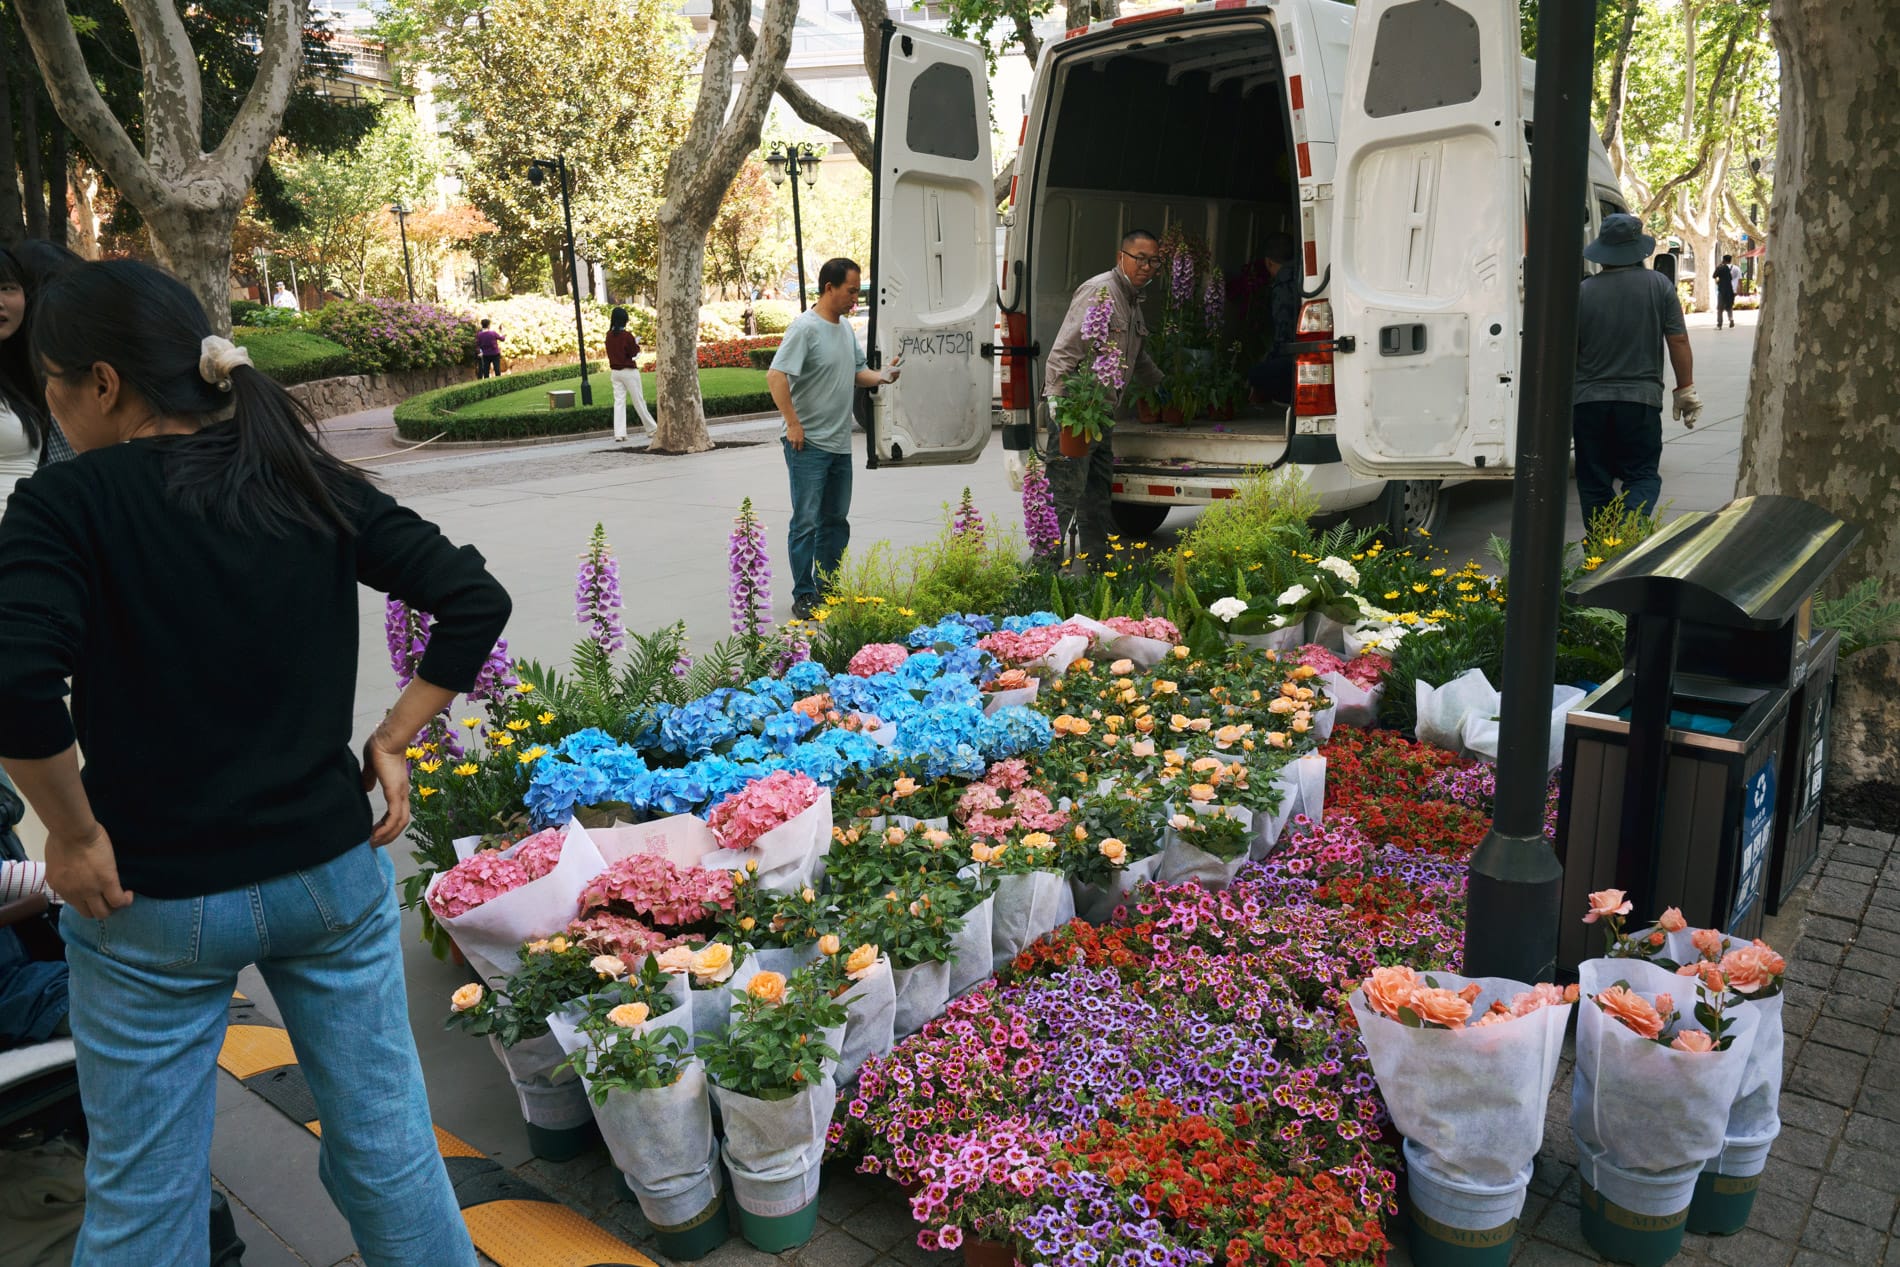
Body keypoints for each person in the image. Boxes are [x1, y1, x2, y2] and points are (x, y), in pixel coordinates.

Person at [0, 259, 510, 1266]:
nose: (48, 405)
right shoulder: (293, 471)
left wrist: (71, 832)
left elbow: (15, 685)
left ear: (102, 384)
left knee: (145, 1196)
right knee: (390, 1150)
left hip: (149, 898)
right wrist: (394, 738)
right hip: (327, 871)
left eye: (52, 382)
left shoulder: (66, 504)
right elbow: (470, 597)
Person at [767, 257, 900, 619]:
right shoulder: (805, 329)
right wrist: (792, 423)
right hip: (806, 445)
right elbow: (776, 376)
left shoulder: (843, 329)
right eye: (851, 291)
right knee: (806, 521)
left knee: (836, 522)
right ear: (829, 288)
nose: (855, 299)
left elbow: (858, 371)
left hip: (839, 445)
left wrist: (883, 376)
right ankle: (805, 594)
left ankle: (828, 587)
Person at [1041, 229, 1164, 563]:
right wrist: (1054, 396)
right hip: (1076, 412)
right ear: (1121, 257)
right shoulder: (1100, 292)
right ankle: (1040, 577)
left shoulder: (1132, 299)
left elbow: (1136, 355)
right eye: (1140, 258)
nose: (1147, 267)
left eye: (1154, 260)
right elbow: (1065, 349)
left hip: (1100, 416)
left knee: (1096, 496)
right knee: (1063, 495)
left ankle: (1098, 567)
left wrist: (1160, 384)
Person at [1573, 213, 1699, 528]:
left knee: (1594, 483)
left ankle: (1601, 550)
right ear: (1636, 249)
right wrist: (1686, 390)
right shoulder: (1660, 285)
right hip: (1640, 402)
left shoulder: (1583, 292)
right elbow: (1679, 340)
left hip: (1589, 403)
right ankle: (1630, 526)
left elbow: (1566, 350)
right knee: (1642, 475)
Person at [1244, 231, 1303, 406]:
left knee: (1257, 373)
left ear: (1268, 262)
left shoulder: (1283, 286)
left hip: (1293, 359)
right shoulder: (1304, 276)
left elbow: (1283, 335)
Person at [604, 307, 656, 440]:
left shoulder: (609, 335)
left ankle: (619, 434)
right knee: (638, 400)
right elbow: (634, 353)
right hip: (629, 371)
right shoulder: (627, 336)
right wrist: (636, 344)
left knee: (619, 402)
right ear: (624, 320)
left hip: (615, 373)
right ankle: (652, 429)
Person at [1713, 254, 1738, 329]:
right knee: (1729, 306)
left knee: (1720, 308)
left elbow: (1714, 276)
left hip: (1722, 290)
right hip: (1730, 289)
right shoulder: (1734, 268)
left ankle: (1719, 324)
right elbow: (1730, 278)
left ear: (1724, 260)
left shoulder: (1721, 267)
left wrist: (1718, 267)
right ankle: (1731, 319)